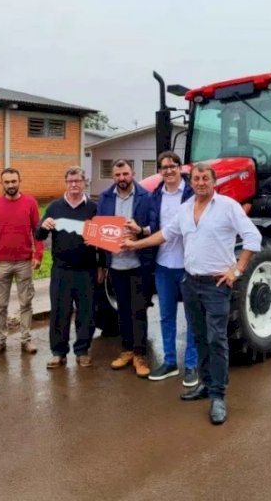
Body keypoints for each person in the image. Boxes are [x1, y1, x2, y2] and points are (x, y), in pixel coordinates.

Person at [122, 162, 261, 425]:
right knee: (199, 336)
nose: (200, 183)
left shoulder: (228, 207)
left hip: (216, 285)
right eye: (196, 179)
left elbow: (253, 238)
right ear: (192, 182)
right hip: (191, 282)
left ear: (213, 181)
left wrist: (236, 270)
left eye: (205, 178)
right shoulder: (185, 210)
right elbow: (165, 235)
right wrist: (134, 244)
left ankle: (218, 396)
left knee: (216, 338)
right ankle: (205, 385)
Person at [36, 166, 100, 369]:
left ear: (84, 183)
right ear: (66, 183)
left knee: (86, 313)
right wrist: (42, 226)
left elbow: (104, 239)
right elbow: (39, 236)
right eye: (70, 181)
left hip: (87, 270)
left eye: (78, 181)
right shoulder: (55, 207)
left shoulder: (93, 208)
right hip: (61, 270)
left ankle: (82, 351)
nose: (74, 185)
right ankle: (58, 352)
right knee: (59, 312)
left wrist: (102, 265)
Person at [96, 159, 156, 378]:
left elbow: (154, 226)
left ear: (133, 173)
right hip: (116, 265)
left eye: (125, 174)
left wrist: (139, 230)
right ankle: (127, 350)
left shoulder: (145, 197)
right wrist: (102, 264)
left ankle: (140, 355)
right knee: (122, 310)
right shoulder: (105, 198)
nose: (122, 178)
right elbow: (100, 231)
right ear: (114, 177)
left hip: (139, 264)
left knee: (138, 310)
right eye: (118, 175)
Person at [147, 151, 198, 387]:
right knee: (166, 316)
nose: (168, 170)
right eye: (164, 167)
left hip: (189, 266)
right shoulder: (155, 196)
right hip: (163, 265)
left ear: (180, 168)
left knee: (192, 317)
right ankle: (169, 362)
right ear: (159, 170)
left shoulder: (192, 194)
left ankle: (191, 365)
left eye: (172, 166)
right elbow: (153, 226)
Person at [0, 168, 43, 356]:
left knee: (26, 303)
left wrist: (38, 254)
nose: (10, 185)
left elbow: (38, 232)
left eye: (13, 181)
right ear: (1, 183)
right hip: (1, 262)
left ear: (19, 181)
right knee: (0, 304)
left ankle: (26, 340)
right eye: (7, 182)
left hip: (24, 261)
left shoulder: (30, 202)